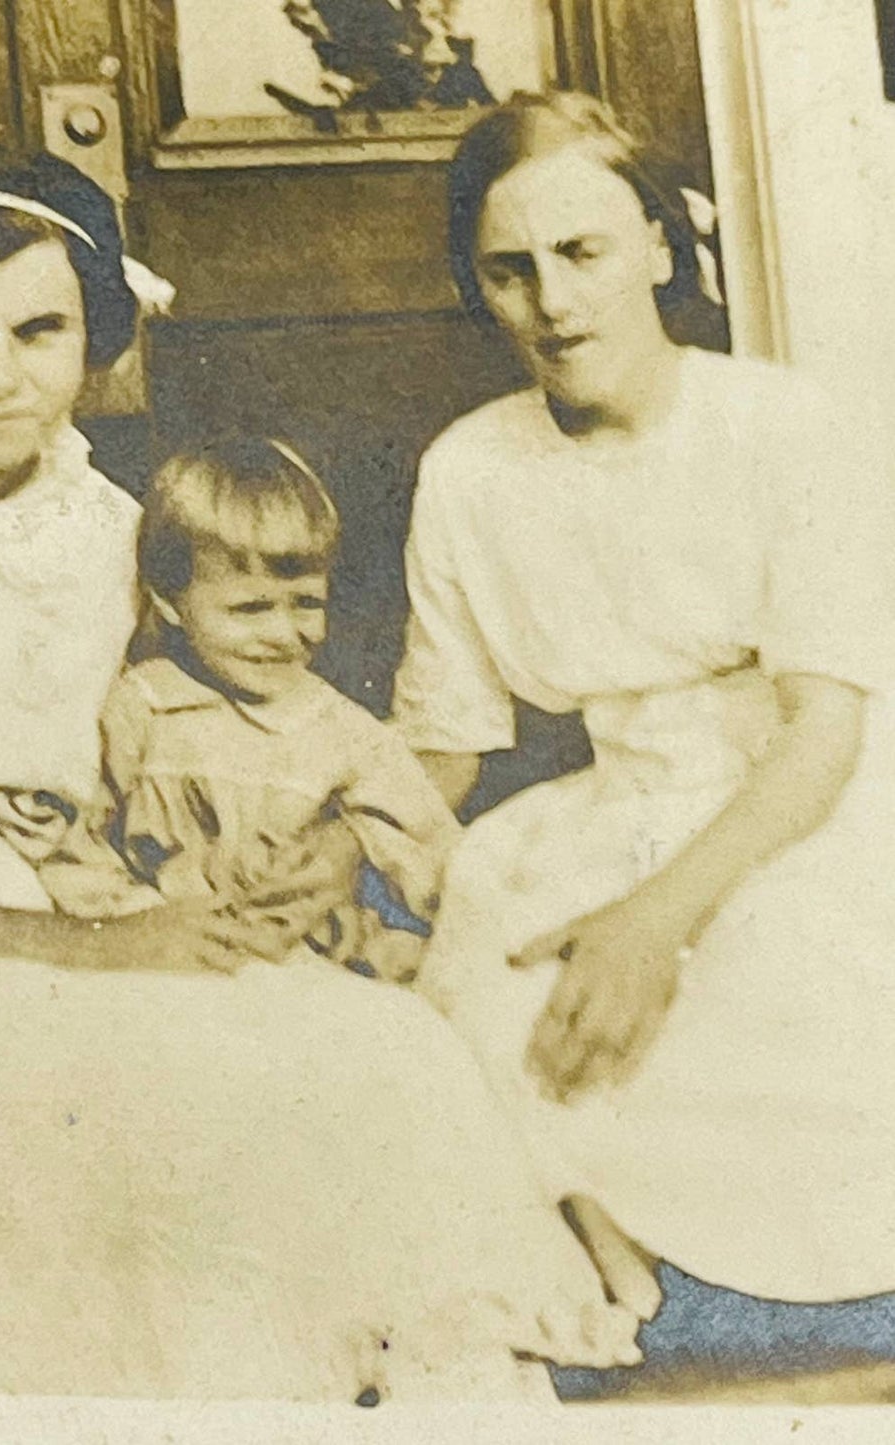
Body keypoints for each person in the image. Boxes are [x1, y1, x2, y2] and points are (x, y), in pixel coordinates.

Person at [0, 145, 637, 1399]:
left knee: (382, 1047)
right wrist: (103, 951)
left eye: (40, 329)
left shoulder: (108, 526)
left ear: (93, 341)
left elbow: (229, 727)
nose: (0, 374)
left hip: (108, 894)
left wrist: (291, 858)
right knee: (185, 1095)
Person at [393, 90, 895, 1314]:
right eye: (508, 271)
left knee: (774, 970)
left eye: (581, 253)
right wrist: (340, 832)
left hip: (796, 794)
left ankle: (765, 1281)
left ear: (658, 249)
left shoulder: (780, 424)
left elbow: (824, 731)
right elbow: (444, 743)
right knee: (482, 991)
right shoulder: (467, 467)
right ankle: (607, 1245)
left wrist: (650, 922)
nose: (552, 305)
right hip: (605, 803)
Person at [10, 438, 450, 987]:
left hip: (314, 967)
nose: (283, 634)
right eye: (249, 608)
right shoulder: (140, 709)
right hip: (165, 959)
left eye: (307, 603)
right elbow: (82, 847)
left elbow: (435, 855)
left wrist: (366, 856)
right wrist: (135, 920)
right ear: (171, 603)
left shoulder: (347, 732)